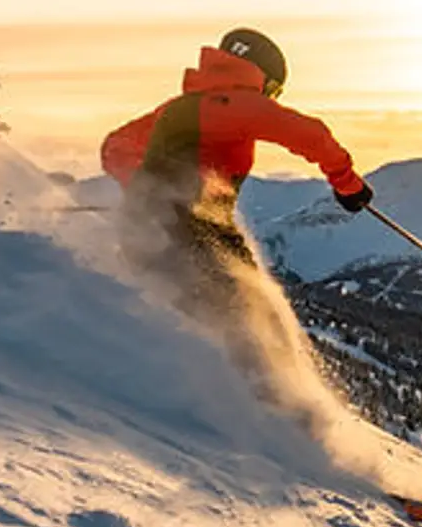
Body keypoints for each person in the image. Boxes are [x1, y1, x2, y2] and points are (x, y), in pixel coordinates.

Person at [101, 28, 371, 380]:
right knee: (250, 323)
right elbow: (311, 135)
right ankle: (272, 408)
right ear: (258, 76)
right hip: (187, 233)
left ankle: (241, 399)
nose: (270, 99)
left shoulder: (180, 107)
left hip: (162, 229)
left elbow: (115, 147)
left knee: (238, 317)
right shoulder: (234, 103)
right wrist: (348, 186)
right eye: (272, 90)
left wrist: (144, 187)